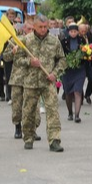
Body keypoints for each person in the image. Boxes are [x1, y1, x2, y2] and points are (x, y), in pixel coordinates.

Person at [17, 16, 66, 151]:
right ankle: (28, 137)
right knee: (28, 112)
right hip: (30, 82)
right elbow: (18, 60)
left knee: (52, 111)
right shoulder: (26, 41)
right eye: (40, 27)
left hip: (47, 81)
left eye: (45, 27)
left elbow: (62, 60)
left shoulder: (54, 41)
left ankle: (54, 140)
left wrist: (55, 74)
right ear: (34, 27)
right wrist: (29, 62)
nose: (43, 29)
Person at [2, 21, 41, 141]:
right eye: (28, 29)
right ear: (24, 29)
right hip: (18, 78)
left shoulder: (37, 41)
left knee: (33, 105)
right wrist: (12, 52)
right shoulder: (15, 40)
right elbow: (5, 57)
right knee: (17, 105)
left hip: (32, 77)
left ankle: (32, 130)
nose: (30, 31)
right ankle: (18, 128)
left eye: (32, 29)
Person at [60, 23, 87, 123]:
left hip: (79, 69)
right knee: (68, 92)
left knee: (78, 91)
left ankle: (77, 115)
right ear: (68, 32)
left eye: (75, 31)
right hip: (68, 70)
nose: (73, 33)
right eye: (71, 32)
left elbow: (86, 52)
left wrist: (84, 56)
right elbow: (60, 54)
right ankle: (70, 113)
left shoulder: (82, 40)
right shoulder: (64, 41)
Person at [79, 23, 92, 105]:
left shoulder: (89, 35)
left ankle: (88, 95)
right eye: (82, 31)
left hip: (89, 62)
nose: (83, 32)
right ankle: (80, 97)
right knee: (80, 80)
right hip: (81, 62)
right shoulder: (77, 38)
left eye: (85, 31)